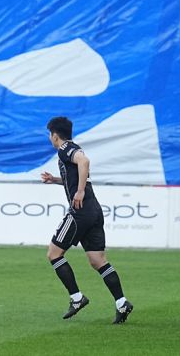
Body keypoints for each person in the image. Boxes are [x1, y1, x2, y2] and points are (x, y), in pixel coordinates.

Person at [40, 116, 133, 323]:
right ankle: (122, 303)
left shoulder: (65, 148)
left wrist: (80, 191)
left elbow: (84, 161)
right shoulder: (71, 149)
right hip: (94, 211)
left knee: (54, 254)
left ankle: (76, 298)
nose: (49, 138)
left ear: (54, 135)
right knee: (98, 260)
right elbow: (76, 171)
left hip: (80, 212)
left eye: (49, 134)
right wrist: (55, 180)